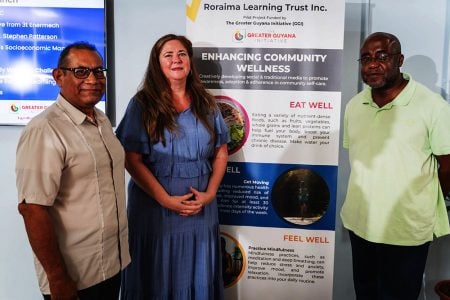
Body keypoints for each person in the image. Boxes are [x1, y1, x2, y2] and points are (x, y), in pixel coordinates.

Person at [116, 34, 229, 299]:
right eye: (168, 55)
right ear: (157, 63)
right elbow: (130, 158)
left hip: (200, 210)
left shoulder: (207, 102)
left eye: (181, 54)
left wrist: (211, 194)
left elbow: (221, 153)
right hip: (154, 211)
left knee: (197, 272)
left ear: (189, 60)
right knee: (155, 277)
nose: (176, 60)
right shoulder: (142, 104)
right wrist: (165, 200)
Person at [16, 42, 130, 300]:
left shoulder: (100, 120)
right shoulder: (44, 130)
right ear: (59, 76)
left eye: (98, 71)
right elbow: (32, 209)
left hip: (112, 264)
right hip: (75, 277)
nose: (92, 79)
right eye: (81, 71)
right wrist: (58, 278)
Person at [340, 32, 450, 299]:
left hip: (405, 228)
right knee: (366, 293)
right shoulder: (355, 106)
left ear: (399, 60)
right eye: (366, 58)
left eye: (381, 56)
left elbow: (447, 167)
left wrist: (422, 201)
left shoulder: (433, 106)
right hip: (360, 222)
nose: (372, 64)